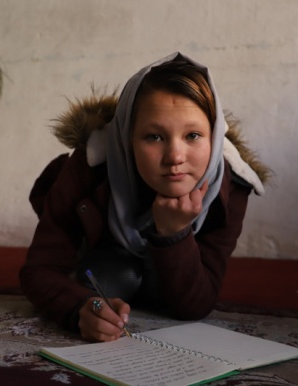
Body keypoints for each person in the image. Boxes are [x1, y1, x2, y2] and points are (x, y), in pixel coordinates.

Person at [20, 52, 270, 342]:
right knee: (112, 277)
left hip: (171, 269)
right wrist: (81, 308)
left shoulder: (231, 187)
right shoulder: (88, 169)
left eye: (193, 136)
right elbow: (40, 269)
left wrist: (174, 232)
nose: (175, 157)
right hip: (104, 260)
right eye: (154, 137)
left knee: (158, 288)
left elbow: (196, 304)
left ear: (214, 137)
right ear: (127, 139)